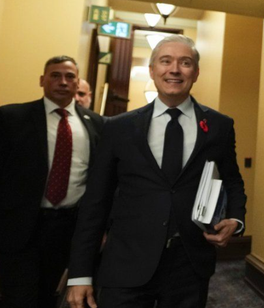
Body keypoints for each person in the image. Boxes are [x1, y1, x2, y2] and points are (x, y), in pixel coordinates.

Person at [66, 35, 246, 308]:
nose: (174, 69)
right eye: (165, 61)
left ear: (196, 73)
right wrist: (80, 273)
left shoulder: (219, 126)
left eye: (185, 63)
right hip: (126, 262)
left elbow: (232, 180)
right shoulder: (118, 127)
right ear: (152, 71)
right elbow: (95, 202)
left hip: (189, 264)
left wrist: (235, 218)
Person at [0, 56, 104, 308]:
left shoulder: (96, 124)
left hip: (68, 229)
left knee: (53, 298)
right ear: (42, 80)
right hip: (20, 228)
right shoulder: (11, 117)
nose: (63, 82)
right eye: (55, 75)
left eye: (70, 77)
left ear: (77, 82)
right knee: (19, 298)